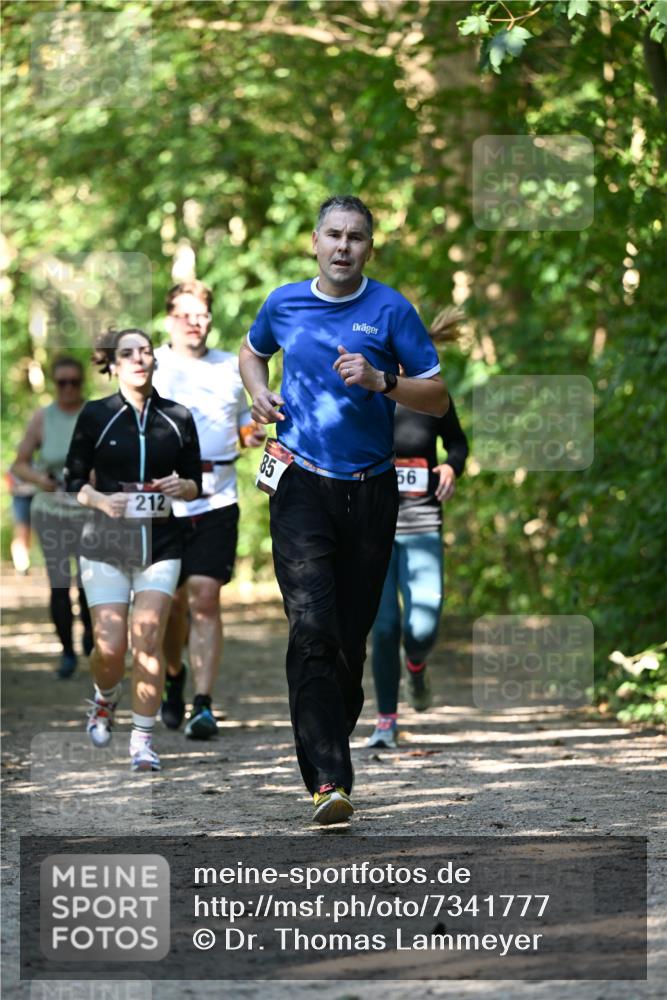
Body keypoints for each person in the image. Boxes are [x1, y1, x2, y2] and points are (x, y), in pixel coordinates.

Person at [239, 194, 449, 825]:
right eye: (333, 234)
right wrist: (258, 393)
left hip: (372, 490)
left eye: (356, 238)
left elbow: (437, 397)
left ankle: (332, 738)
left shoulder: (391, 310)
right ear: (314, 241)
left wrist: (383, 381)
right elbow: (253, 352)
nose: (343, 247)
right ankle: (329, 779)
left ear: (369, 248)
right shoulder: (283, 302)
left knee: (350, 642)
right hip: (300, 481)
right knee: (311, 628)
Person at [64, 328, 201, 772]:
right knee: (109, 647)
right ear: (114, 363)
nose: (139, 359)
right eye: (128, 353)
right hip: (104, 544)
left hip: (161, 545)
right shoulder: (95, 414)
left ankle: (142, 740)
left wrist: (183, 486)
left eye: (145, 352)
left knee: (147, 638)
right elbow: (73, 483)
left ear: (154, 360)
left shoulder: (177, 416)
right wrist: (103, 501)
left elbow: (194, 481)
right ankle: (105, 698)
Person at [153, 280, 265, 739]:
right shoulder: (152, 364)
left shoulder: (228, 366)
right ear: (168, 320)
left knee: (204, 596)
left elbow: (241, 424)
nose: (194, 324)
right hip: (162, 500)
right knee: (171, 603)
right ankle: (173, 676)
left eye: (201, 315)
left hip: (217, 494)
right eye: (185, 315)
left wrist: (250, 435)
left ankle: (203, 703)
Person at [367, 393, 469, 749]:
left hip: (422, 522)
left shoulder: (431, 396)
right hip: (372, 528)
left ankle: (415, 664)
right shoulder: (358, 390)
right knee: (383, 628)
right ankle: (385, 722)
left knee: (422, 628)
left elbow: (457, 442)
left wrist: (452, 466)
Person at [11, 357, 92, 677]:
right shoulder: (43, 417)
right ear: (54, 384)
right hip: (52, 510)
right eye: (62, 383)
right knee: (59, 583)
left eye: (74, 382)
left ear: (81, 382)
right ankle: (67, 652)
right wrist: (39, 480)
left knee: (89, 580)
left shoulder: (94, 414)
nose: (69, 388)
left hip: (88, 508)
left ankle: (90, 637)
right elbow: (19, 463)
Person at [6, 470, 36, 574]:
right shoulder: (16, 464)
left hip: (37, 496)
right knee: (22, 530)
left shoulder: (39, 461)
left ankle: (24, 560)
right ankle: (21, 565)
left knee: (29, 533)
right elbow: (9, 480)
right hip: (20, 496)